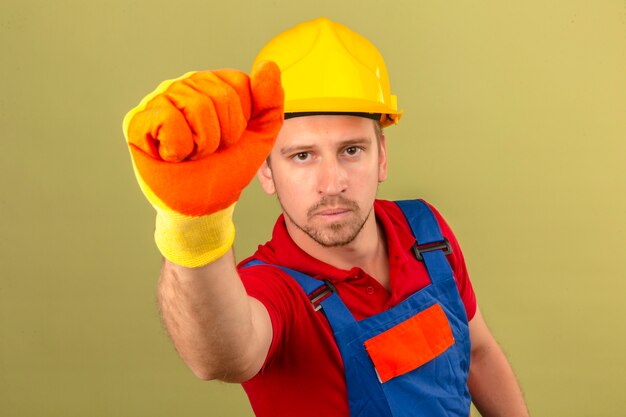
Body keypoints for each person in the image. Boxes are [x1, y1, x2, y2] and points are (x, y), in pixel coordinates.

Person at [123, 17, 529, 417]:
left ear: (382, 156)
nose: (331, 182)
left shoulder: (427, 234)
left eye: (351, 150)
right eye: (302, 156)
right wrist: (195, 226)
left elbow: (478, 354)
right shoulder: (272, 288)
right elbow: (221, 356)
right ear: (265, 171)